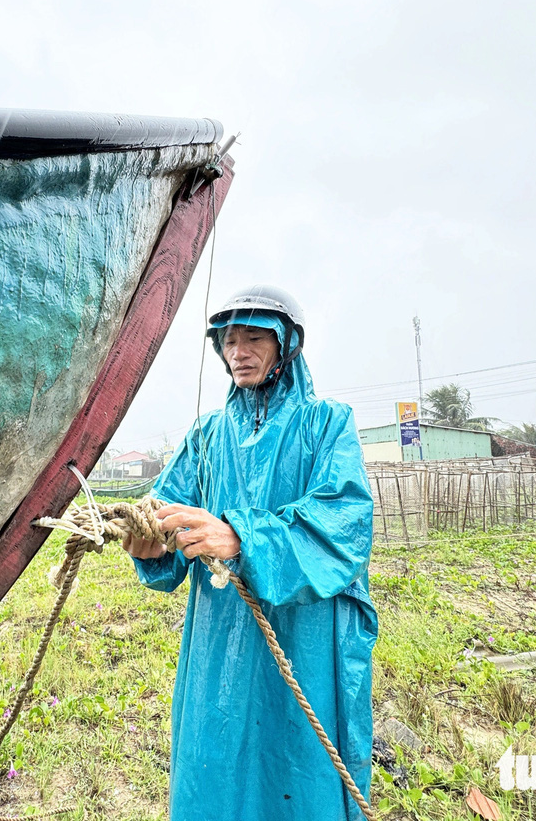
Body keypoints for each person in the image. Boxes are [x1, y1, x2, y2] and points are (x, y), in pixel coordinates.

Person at [122, 284, 377, 821]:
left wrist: (242, 537)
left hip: (304, 631)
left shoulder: (328, 423)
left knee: (297, 756)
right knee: (218, 750)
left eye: (254, 337)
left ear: (286, 345)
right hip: (221, 628)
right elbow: (170, 511)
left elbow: (344, 521)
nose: (238, 351)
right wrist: (149, 542)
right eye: (229, 340)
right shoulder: (208, 434)